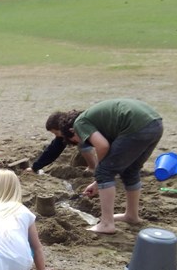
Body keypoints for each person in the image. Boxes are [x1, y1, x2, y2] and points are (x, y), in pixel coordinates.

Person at [47, 98, 164, 234]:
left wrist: (101, 172)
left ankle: (106, 224)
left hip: (136, 126)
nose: (82, 142)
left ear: (72, 131)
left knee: (104, 171)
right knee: (130, 170)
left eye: (76, 140)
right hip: (155, 123)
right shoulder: (96, 121)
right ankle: (132, 216)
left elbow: (103, 146)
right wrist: (99, 181)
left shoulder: (80, 123)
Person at [26, 113, 97, 173]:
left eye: (56, 133)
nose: (56, 136)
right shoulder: (62, 135)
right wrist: (35, 167)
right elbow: (52, 151)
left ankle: (93, 168)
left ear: (62, 127)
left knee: (83, 144)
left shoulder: (78, 126)